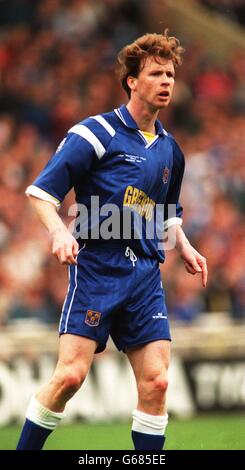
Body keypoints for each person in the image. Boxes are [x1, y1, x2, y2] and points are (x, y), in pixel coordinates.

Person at [16, 30, 207, 451]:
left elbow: (166, 215)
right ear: (132, 81)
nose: (167, 81)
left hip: (144, 275)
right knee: (69, 376)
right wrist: (59, 231)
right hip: (98, 270)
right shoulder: (94, 133)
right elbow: (40, 193)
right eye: (156, 73)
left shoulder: (172, 151)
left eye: (171, 74)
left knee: (157, 381)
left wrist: (186, 244)